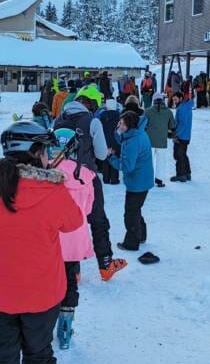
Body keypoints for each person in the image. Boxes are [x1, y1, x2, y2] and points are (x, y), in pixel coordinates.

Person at [0, 121, 84, 363]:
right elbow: (74, 223)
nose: (48, 156)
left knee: (2, 357)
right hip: (42, 296)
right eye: (45, 150)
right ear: (34, 152)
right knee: (39, 355)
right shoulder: (53, 192)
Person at [55, 87, 128, 281]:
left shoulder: (58, 120)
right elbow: (102, 154)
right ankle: (105, 265)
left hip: (59, 179)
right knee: (98, 221)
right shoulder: (92, 121)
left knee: (67, 222)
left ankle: (72, 269)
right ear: (92, 103)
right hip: (85, 179)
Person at [47, 127, 96, 349]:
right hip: (75, 238)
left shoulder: (45, 174)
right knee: (69, 282)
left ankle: (44, 325)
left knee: (47, 281)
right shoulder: (85, 175)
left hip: (52, 238)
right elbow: (87, 209)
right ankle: (66, 328)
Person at [109, 110, 153, 251]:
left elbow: (127, 166)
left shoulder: (133, 141)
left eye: (122, 124)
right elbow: (123, 139)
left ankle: (131, 243)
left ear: (130, 125)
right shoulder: (137, 133)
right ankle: (141, 235)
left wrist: (111, 157)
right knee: (136, 209)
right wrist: (118, 132)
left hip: (137, 183)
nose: (119, 126)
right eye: (119, 123)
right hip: (143, 180)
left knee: (130, 213)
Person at [144, 94, 174, 187]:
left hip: (149, 140)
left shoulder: (147, 111)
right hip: (162, 141)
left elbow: (143, 125)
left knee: (149, 161)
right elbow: (172, 126)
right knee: (161, 161)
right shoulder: (168, 112)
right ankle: (159, 180)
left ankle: (147, 179)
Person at [171, 92, 193, 182]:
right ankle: (187, 173)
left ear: (180, 98)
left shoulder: (182, 108)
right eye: (173, 100)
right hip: (186, 135)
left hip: (181, 136)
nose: (174, 102)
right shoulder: (186, 106)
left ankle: (181, 175)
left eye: (175, 99)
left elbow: (182, 124)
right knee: (183, 154)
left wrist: (176, 135)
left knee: (178, 155)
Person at [98, 99, 121, 185]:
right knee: (115, 158)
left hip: (104, 140)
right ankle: (114, 179)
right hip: (115, 140)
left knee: (105, 159)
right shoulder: (119, 115)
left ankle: (106, 178)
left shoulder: (102, 116)